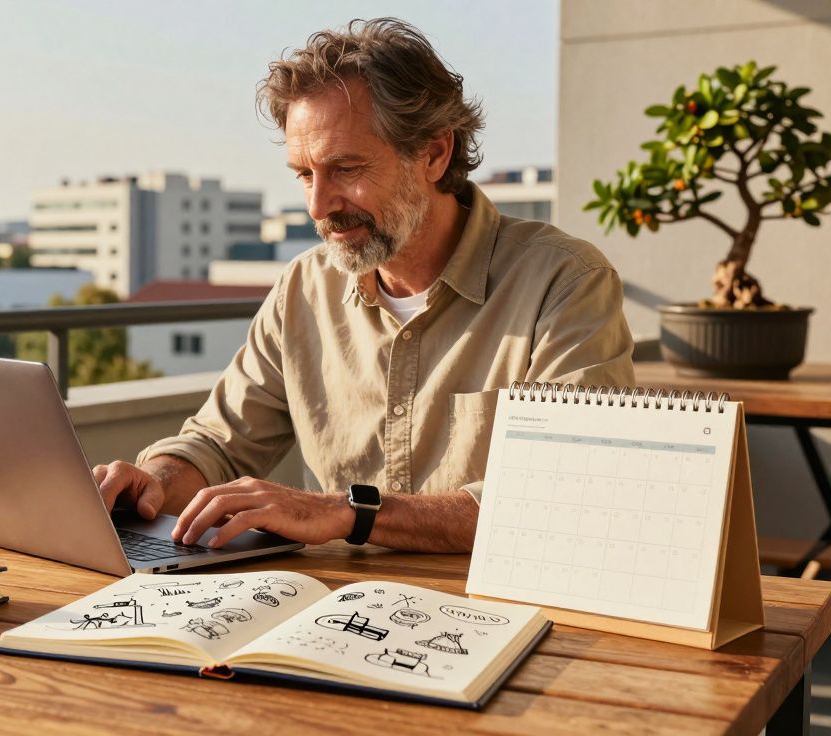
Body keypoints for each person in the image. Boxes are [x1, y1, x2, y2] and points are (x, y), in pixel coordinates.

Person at [92, 18, 634, 553]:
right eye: (304, 174)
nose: (318, 205)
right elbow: (217, 444)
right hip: (331, 610)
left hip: (496, 614)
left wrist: (346, 513)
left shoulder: (565, 283)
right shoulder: (304, 287)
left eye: (345, 168)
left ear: (434, 154)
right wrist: (156, 480)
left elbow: (565, 496)